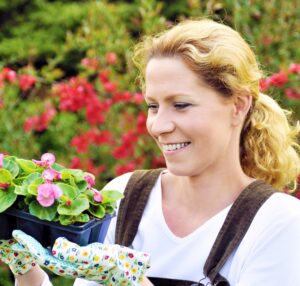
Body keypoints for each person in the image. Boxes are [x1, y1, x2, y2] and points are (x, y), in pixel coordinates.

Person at [4, 18, 300, 286]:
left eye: (181, 105)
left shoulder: (277, 223)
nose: (159, 125)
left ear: (238, 105)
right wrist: (26, 272)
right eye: (153, 106)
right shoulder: (126, 198)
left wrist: (134, 284)